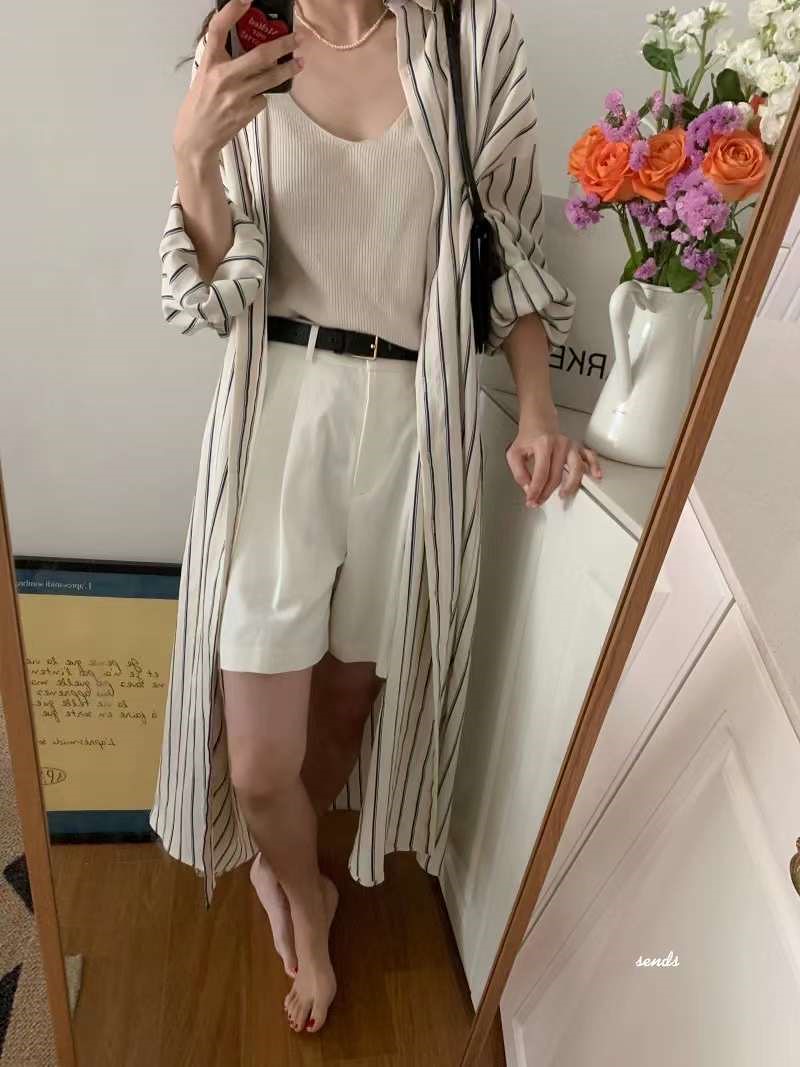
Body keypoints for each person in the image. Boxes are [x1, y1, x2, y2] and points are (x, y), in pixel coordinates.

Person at [152, 0, 602, 1036]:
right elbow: (212, 298)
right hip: (276, 416)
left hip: (414, 416)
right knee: (257, 761)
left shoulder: (468, 37)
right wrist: (192, 156)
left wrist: (539, 410)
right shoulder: (247, 44)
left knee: (349, 702)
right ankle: (307, 906)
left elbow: (507, 237)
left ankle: (294, 870)